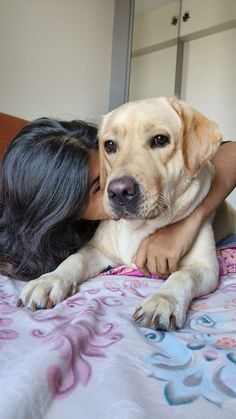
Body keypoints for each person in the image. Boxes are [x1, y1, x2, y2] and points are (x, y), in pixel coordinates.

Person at [0, 118, 235, 281]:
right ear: (62, 210)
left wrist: (184, 225)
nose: (118, 186)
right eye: (98, 188)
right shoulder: (33, 245)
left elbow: (231, 150)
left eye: (109, 168)